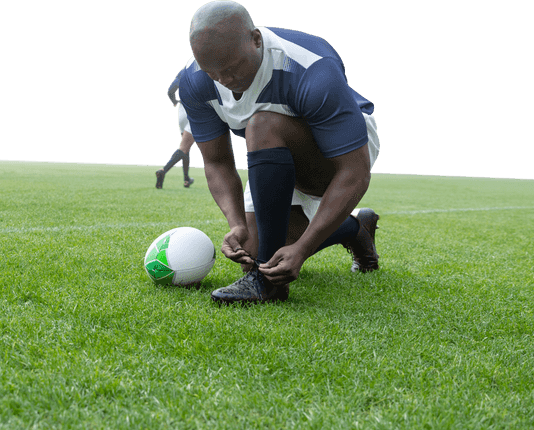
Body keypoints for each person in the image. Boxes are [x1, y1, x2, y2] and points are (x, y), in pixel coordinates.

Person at [179, 1, 381, 304]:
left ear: (256, 40)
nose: (224, 80)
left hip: (342, 148)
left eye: (232, 68)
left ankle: (267, 286)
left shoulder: (310, 67)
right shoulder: (194, 81)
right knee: (257, 251)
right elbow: (217, 161)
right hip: (275, 153)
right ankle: (356, 228)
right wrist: (237, 225)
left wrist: (302, 250)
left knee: (262, 123)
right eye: (213, 72)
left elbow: (354, 173)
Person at [155, 69, 196, 189]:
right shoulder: (203, 68)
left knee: (185, 146)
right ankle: (163, 170)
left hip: (182, 110)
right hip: (194, 111)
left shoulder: (185, 70)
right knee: (184, 147)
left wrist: (174, 102)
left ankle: (186, 179)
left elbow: (170, 90)